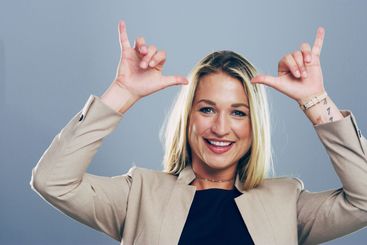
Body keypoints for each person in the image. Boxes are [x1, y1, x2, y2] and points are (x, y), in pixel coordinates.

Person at [30, 20, 367, 245]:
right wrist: (122, 92)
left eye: (238, 112)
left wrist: (316, 101)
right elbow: (52, 181)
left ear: (254, 125)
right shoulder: (140, 195)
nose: (221, 128)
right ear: (187, 117)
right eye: (207, 109)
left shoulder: (287, 202)